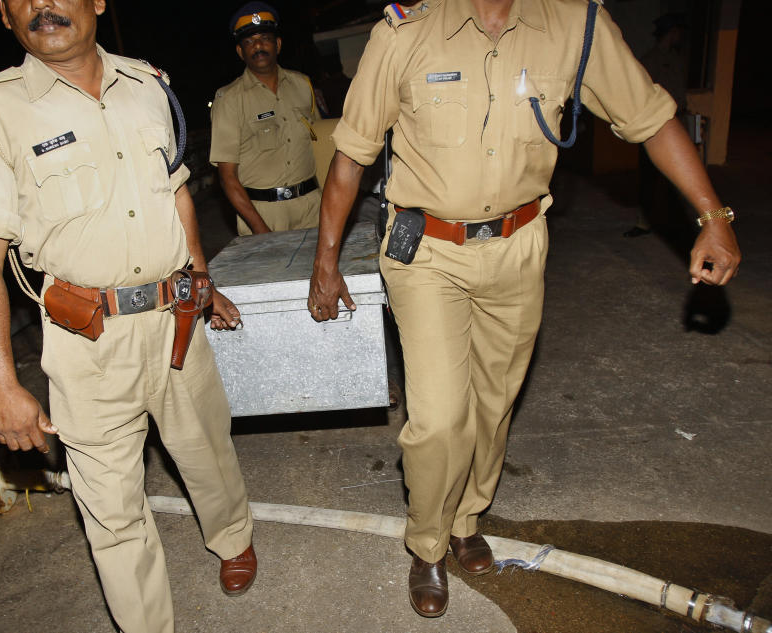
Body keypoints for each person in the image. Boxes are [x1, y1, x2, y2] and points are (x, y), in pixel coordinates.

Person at [307, 0, 740, 619]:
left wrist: (713, 216)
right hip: (427, 250)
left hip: (519, 247)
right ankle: (427, 541)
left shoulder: (575, 26)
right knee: (437, 416)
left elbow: (651, 118)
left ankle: (466, 517)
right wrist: (326, 262)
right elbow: (351, 153)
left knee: (494, 401)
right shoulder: (405, 32)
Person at [0, 2, 256, 631]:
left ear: (97, 3)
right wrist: (1, 384)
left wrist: (201, 281)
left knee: (207, 452)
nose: (42, 7)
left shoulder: (149, 86)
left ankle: (232, 537)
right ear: (5, 16)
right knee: (111, 514)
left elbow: (177, 195)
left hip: (175, 321)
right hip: (84, 340)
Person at [210, 2, 323, 235]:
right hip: (263, 213)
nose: (258, 46)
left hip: (313, 207)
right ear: (241, 52)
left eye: (265, 38)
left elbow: (321, 145)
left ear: (278, 44)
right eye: (249, 42)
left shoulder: (303, 85)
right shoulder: (229, 99)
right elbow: (227, 177)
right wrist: (261, 231)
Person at [625, 12, 691, 238]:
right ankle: (644, 222)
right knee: (649, 178)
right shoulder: (649, 61)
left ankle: (676, 221)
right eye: (678, 32)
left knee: (679, 176)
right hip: (654, 129)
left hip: (678, 123)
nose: (680, 37)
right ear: (672, 33)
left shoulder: (676, 59)